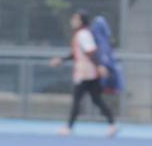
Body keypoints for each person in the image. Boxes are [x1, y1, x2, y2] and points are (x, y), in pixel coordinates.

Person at [49, 10, 117, 138]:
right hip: (87, 72)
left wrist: (99, 66)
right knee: (96, 100)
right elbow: (76, 54)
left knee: (78, 100)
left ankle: (69, 127)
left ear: (81, 21)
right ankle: (112, 124)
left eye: (75, 18)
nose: (72, 21)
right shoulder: (80, 34)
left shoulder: (83, 34)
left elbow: (90, 52)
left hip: (86, 73)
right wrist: (61, 60)